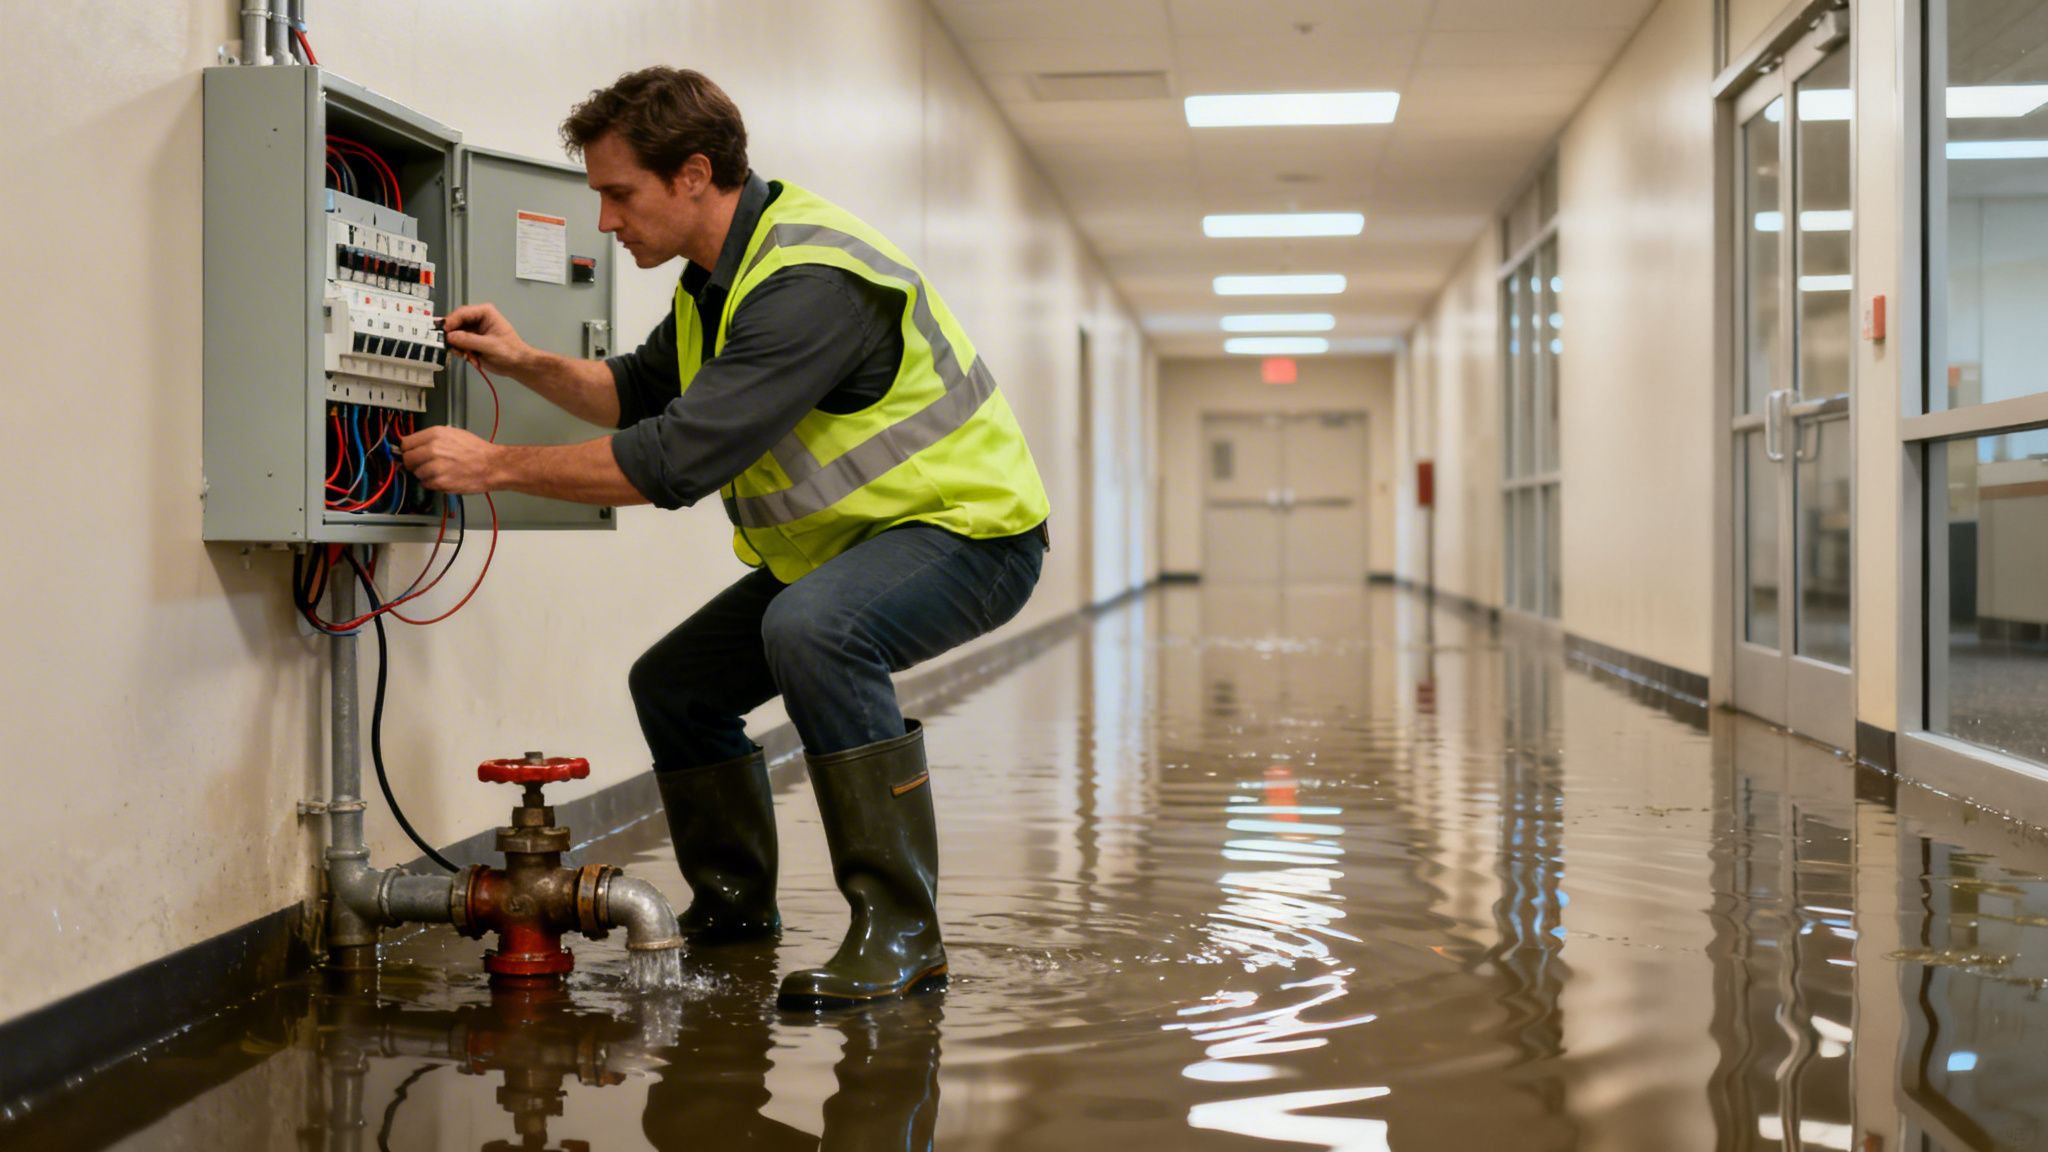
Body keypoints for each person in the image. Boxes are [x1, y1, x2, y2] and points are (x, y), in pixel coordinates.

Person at [400, 67, 1050, 1010]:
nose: (606, 223)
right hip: (852, 551)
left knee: (816, 630)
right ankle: (735, 908)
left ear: (695, 174)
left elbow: (672, 462)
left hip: (973, 539)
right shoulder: (719, 282)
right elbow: (634, 392)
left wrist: (493, 465)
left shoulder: (807, 285)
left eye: (619, 194)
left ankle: (904, 932)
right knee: (676, 686)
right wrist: (523, 359)